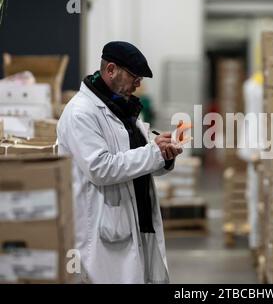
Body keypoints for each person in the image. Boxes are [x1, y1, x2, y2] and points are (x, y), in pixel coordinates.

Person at [57, 41, 182, 283]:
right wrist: (153, 153)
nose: (139, 85)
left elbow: (138, 158)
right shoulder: (81, 113)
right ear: (111, 69)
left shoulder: (123, 109)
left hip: (139, 221)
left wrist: (163, 154)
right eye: (135, 77)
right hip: (106, 230)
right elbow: (101, 168)